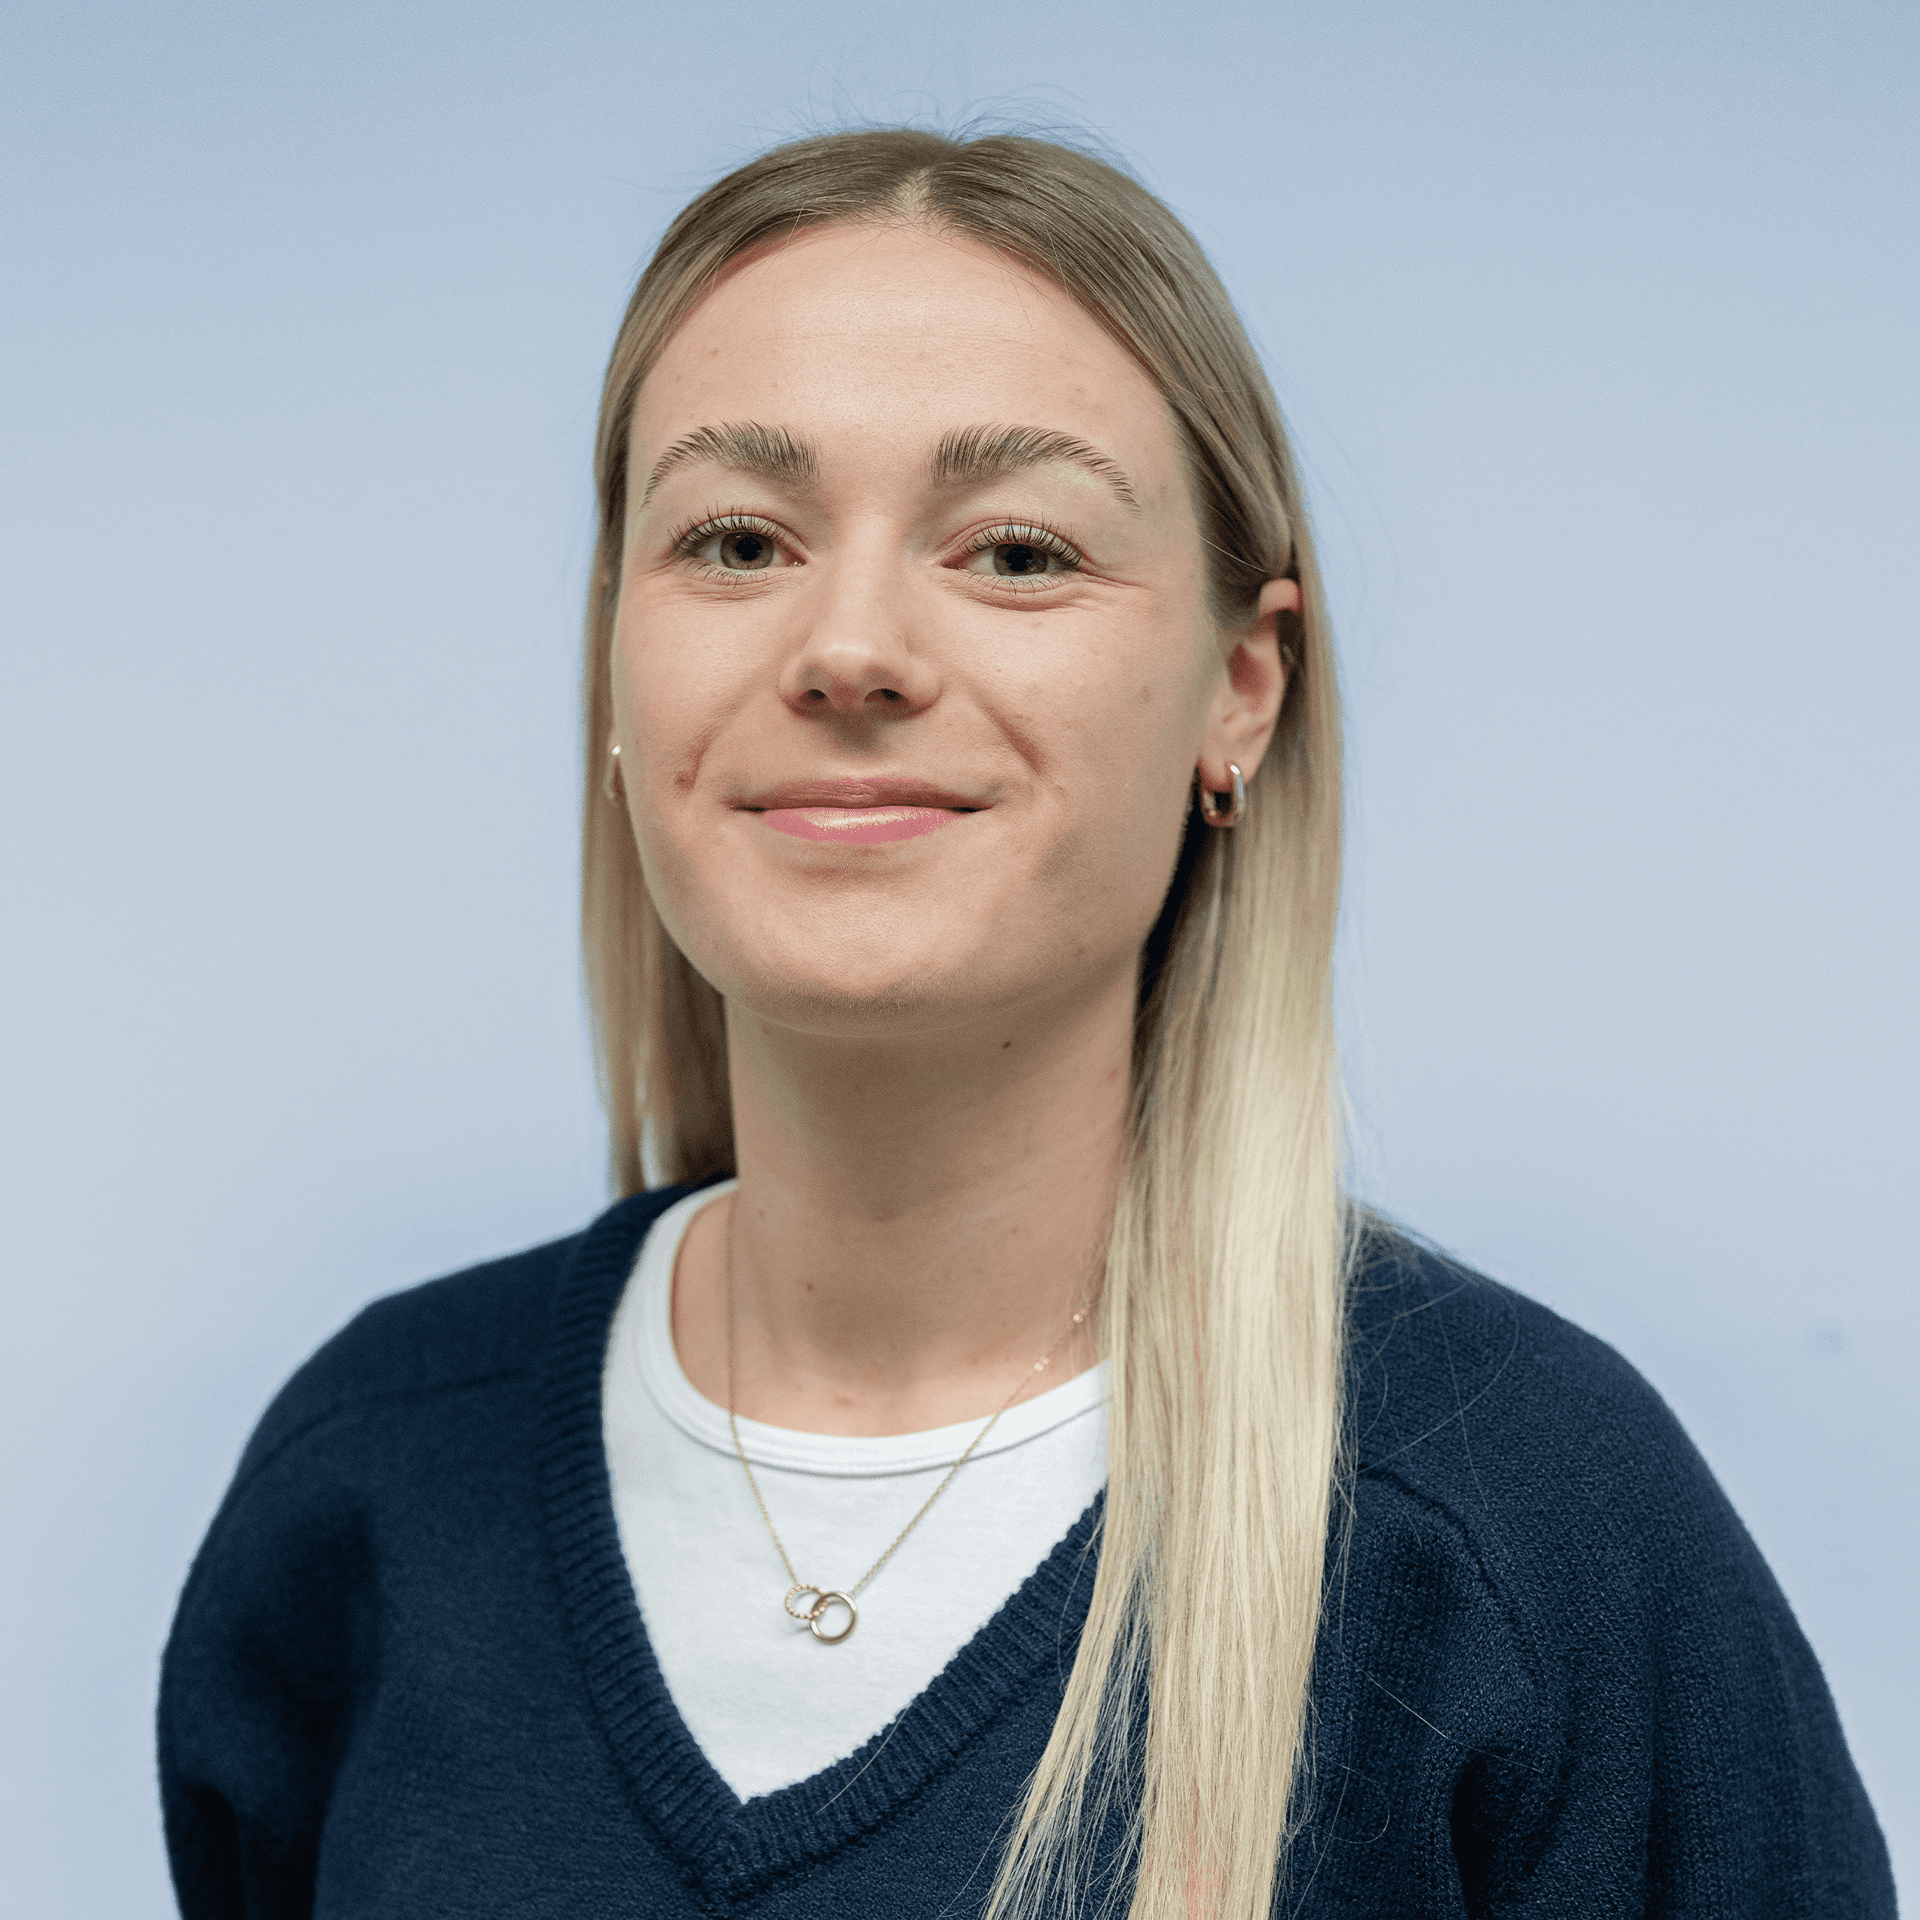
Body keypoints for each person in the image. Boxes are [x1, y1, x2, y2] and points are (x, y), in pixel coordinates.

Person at [156, 128, 1895, 1919]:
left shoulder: (1522, 1520)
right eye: (738, 540)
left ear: (1241, 691)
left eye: (1015, 551)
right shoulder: (369, 1482)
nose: (850, 648)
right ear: (619, 662)